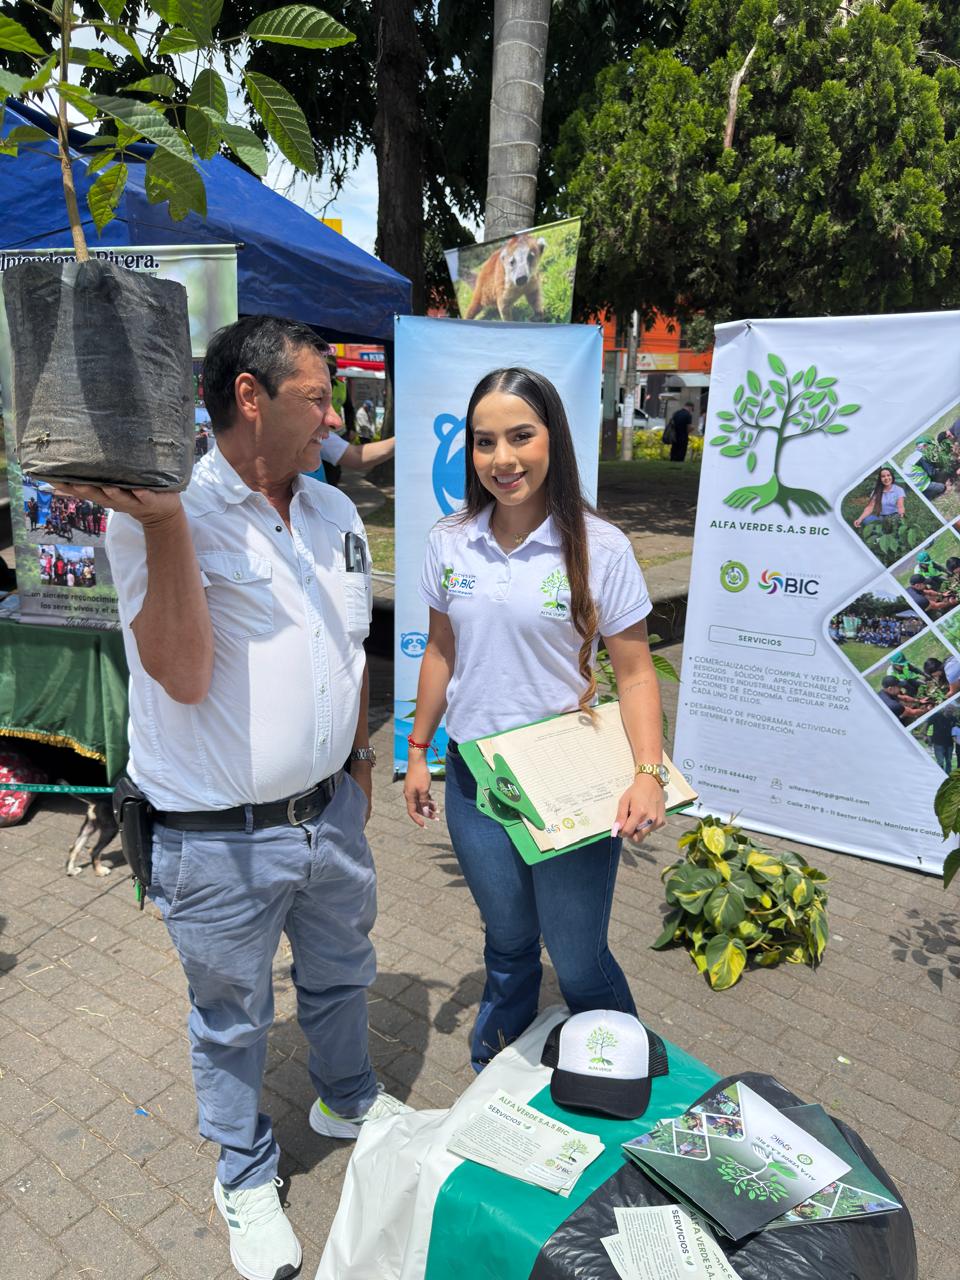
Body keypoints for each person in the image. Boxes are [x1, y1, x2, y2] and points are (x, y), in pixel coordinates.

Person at [57, 315, 406, 1280]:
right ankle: (244, 1174)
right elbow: (178, 672)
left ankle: (349, 1094)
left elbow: (346, 645)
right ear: (249, 398)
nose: (335, 417)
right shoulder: (161, 516)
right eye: (319, 398)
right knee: (232, 1017)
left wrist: (357, 764)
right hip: (219, 839)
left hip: (327, 815)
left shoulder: (332, 512)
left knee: (344, 971)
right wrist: (165, 525)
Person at [403, 367, 667, 1072]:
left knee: (578, 956)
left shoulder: (599, 548)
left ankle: (618, 1064)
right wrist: (420, 747)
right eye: (485, 442)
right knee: (510, 938)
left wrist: (647, 775)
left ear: (554, 438)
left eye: (521, 436)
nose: (503, 459)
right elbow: (439, 649)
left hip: (563, 782)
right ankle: (506, 1050)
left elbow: (637, 674)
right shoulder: (450, 541)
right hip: (475, 781)